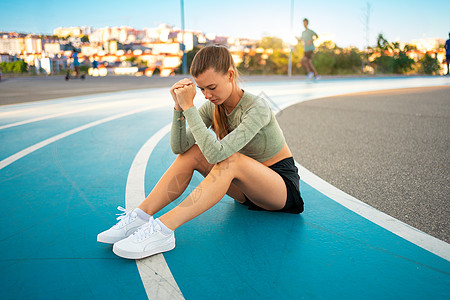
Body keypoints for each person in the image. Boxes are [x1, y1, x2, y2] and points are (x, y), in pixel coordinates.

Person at [97, 45, 304, 260]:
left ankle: (163, 230)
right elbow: (180, 148)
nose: (206, 95)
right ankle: (140, 217)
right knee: (194, 153)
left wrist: (190, 108)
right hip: (246, 192)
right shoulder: (213, 107)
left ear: (230, 75)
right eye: (202, 89)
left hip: (279, 189)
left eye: (211, 87)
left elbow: (217, 155)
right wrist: (178, 108)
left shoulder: (257, 107)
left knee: (231, 160)